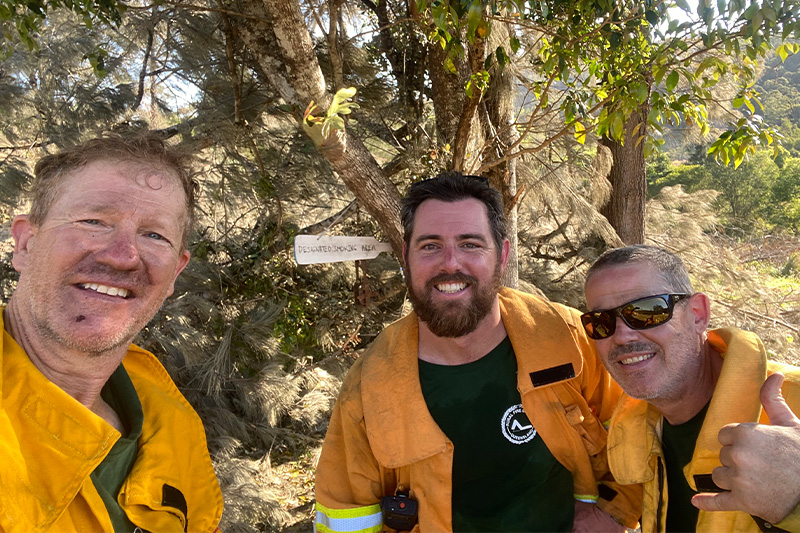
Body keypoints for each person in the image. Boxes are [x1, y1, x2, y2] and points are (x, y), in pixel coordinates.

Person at [314, 172, 641, 532]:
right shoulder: (369, 386)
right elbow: (348, 516)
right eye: (430, 246)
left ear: (502, 254)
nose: (450, 263)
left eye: (470, 244)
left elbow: (637, 426)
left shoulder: (569, 339)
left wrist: (612, 512)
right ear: (406, 255)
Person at [0, 134, 223, 532]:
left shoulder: (172, 425)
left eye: (154, 234)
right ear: (25, 244)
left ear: (175, 271)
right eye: (94, 221)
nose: (123, 256)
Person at [582, 244, 800, 532]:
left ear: (698, 314)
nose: (621, 335)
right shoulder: (638, 427)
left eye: (647, 311)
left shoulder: (791, 401)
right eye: (601, 322)